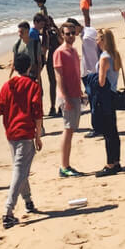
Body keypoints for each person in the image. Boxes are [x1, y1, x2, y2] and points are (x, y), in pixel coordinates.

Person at [0, 51, 45, 226]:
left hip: (11, 132)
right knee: (20, 170)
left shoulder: (7, 86)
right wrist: (38, 136)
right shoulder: (33, 86)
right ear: (29, 67)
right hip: (25, 132)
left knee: (20, 169)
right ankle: (8, 211)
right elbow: (37, 112)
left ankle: (28, 200)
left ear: (14, 67)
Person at [52, 20, 85, 177]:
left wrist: (80, 92)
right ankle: (64, 166)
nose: (71, 36)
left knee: (71, 130)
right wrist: (66, 98)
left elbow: (76, 74)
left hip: (75, 94)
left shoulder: (73, 51)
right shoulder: (59, 52)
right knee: (68, 130)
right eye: (67, 34)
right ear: (62, 35)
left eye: (73, 33)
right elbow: (59, 77)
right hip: (67, 97)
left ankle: (67, 165)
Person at [91, 27, 124, 175]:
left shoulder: (104, 57)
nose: (96, 42)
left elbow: (101, 81)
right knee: (113, 130)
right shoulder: (115, 54)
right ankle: (116, 161)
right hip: (113, 93)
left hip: (105, 96)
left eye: (98, 39)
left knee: (108, 131)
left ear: (103, 40)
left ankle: (110, 164)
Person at [32, 0, 61, 117]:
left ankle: (52, 106)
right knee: (53, 81)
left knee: (45, 79)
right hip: (51, 54)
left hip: (48, 56)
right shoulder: (51, 29)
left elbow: (45, 46)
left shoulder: (46, 31)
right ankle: (55, 106)